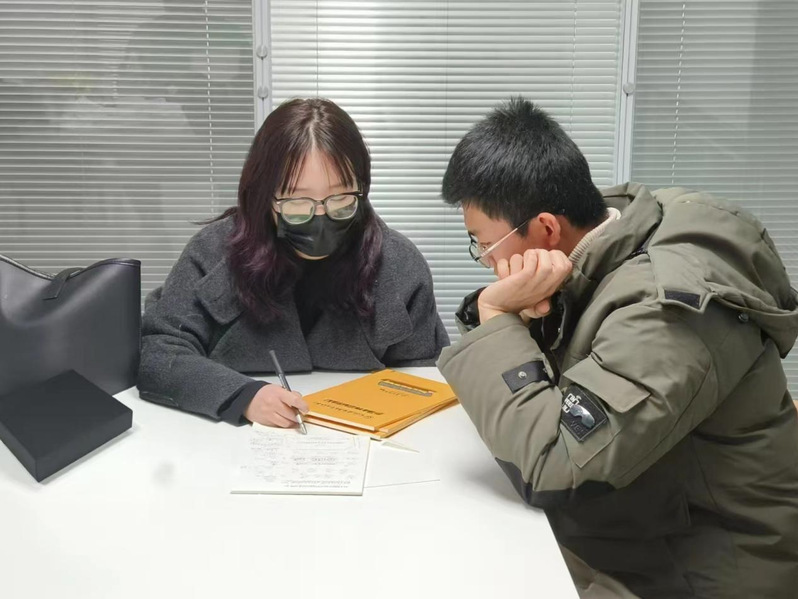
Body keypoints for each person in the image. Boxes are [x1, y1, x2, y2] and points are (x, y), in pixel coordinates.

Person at [436, 97, 798, 598]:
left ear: (546, 228)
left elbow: (553, 463)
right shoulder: (598, 247)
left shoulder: (667, 309)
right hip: (636, 519)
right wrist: (517, 317)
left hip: (697, 564)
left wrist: (496, 315)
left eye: (485, 245)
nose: (484, 260)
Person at [138, 98, 449, 427]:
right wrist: (243, 396)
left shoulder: (398, 263)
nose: (320, 215)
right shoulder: (214, 252)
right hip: (225, 440)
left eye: (340, 197)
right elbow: (158, 353)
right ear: (263, 194)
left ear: (362, 187)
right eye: (297, 200)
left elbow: (427, 379)